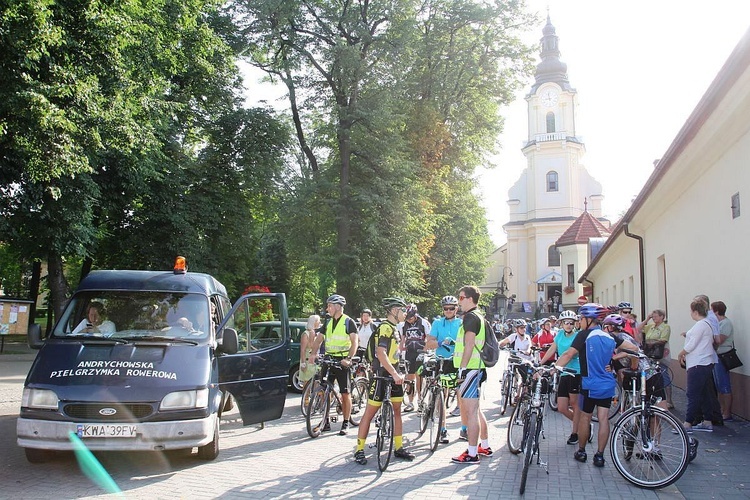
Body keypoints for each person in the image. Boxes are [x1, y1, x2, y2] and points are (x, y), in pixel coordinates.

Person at [555, 303, 637, 468]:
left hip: (589, 384)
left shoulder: (584, 335)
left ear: (588, 319)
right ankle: (599, 456)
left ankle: (582, 451)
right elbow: (633, 348)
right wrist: (625, 365)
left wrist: (554, 368)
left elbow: (569, 354)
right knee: (603, 419)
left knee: (585, 417)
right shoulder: (609, 336)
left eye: (580, 318)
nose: (579, 321)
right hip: (607, 384)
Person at [354, 297, 415, 465]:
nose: (405, 313)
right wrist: (395, 374)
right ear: (394, 311)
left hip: (394, 374)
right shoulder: (385, 328)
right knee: (370, 412)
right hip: (382, 375)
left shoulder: (396, 329)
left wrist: (400, 371)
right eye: (402, 310)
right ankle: (359, 449)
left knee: (397, 411)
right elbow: (381, 354)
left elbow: (394, 353)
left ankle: (398, 447)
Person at [451, 285, 492, 464]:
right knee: (476, 410)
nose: (458, 302)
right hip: (477, 369)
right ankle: (484, 445)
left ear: (469, 299)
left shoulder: (470, 317)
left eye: (460, 298)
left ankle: (472, 453)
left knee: (471, 412)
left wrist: (462, 368)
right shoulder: (478, 316)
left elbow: (469, 345)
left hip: (471, 370)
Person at [308, 294, 358, 436]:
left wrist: (348, 358)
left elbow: (355, 342)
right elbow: (318, 340)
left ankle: (346, 422)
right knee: (324, 390)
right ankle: (326, 421)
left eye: (329, 305)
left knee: (345, 392)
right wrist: (313, 354)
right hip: (329, 359)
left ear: (337, 307)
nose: (327, 308)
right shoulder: (328, 323)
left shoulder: (349, 322)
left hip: (342, 361)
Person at [540, 310, 582, 445]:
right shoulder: (559, 335)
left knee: (575, 405)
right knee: (561, 407)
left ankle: (575, 432)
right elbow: (552, 350)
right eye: (566, 323)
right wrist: (540, 365)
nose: (569, 325)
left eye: (571, 323)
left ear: (575, 324)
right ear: (561, 324)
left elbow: (570, 355)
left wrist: (553, 368)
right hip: (562, 372)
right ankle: (583, 426)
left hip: (575, 372)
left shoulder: (577, 336)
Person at [677, 297, 718, 432]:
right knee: (705, 392)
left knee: (692, 393)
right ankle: (707, 421)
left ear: (695, 311)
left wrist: (681, 353)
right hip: (706, 362)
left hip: (698, 363)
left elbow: (692, 344)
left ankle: (688, 423)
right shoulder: (707, 323)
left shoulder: (700, 325)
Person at [425, 295, 462, 428]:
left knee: (460, 392)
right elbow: (429, 343)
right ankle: (442, 428)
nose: (448, 311)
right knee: (443, 394)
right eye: (446, 308)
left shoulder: (461, 324)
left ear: (456, 309)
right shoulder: (437, 323)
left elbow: (466, 343)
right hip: (441, 360)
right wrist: (440, 342)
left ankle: (464, 428)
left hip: (457, 360)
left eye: (451, 308)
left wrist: (456, 343)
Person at [399, 304, 431, 412]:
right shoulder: (405, 325)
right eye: (407, 318)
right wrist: (400, 349)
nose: (409, 320)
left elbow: (429, 337)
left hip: (420, 352)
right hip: (409, 353)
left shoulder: (423, 323)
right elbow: (403, 338)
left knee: (419, 377)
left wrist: (425, 350)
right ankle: (411, 402)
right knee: (409, 378)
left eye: (411, 317)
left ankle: (420, 400)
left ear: (415, 314)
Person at [639, 309, 674, 407]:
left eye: (656, 316)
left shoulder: (665, 327)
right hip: (650, 355)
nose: (654, 318)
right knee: (652, 374)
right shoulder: (651, 327)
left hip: (661, 354)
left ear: (662, 317)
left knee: (663, 374)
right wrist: (647, 319)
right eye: (653, 317)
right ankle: (655, 396)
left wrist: (651, 343)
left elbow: (663, 340)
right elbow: (638, 329)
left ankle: (669, 400)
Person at [711, 301, 735, 421]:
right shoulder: (718, 323)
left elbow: (719, 340)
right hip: (716, 356)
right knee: (718, 385)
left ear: (716, 311)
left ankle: (727, 412)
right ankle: (721, 410)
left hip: (723, 356)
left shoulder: (726, 323)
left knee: (725, 385)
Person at [299, 314, 321, 384]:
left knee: (317, 383)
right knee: (307, 383)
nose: (320, 323)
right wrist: (303, 364)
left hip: (316, 361)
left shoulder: (318, 334)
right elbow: (303, 350)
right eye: (318, 321)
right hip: (307, 361)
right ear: (314, 322)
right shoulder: (306, 334)